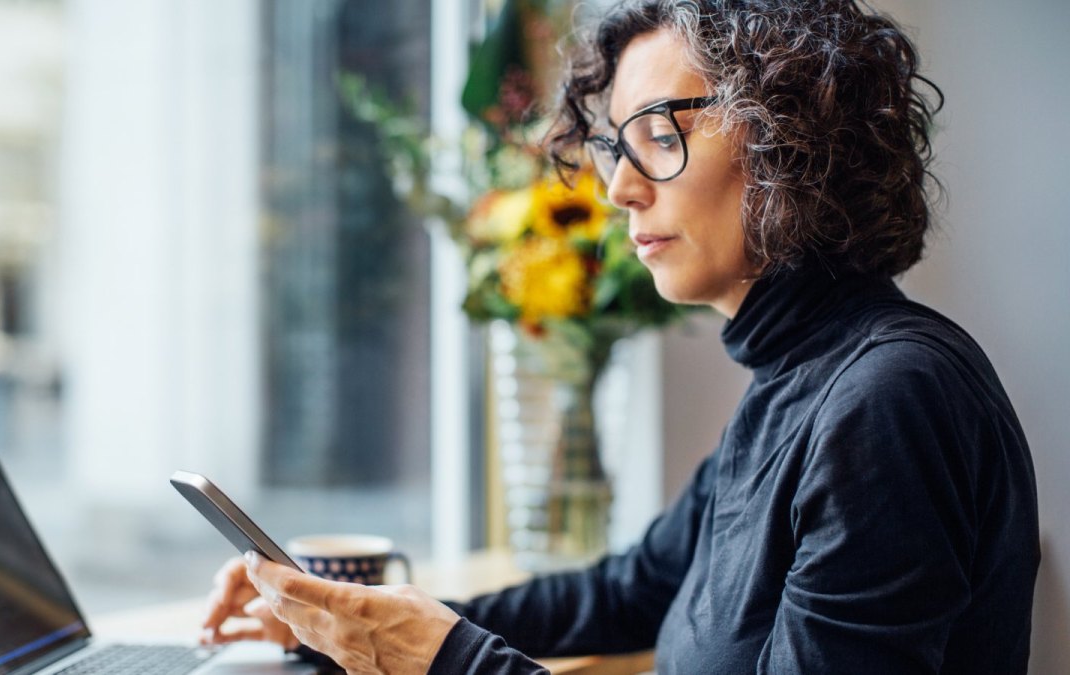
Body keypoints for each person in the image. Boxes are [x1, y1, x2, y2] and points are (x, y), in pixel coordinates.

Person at [200, 1, 1041, 672]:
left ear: (794, 138)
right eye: (615, 145)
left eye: (660, 134)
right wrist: (347, 620)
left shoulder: (887, 399)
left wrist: (451, 660)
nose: (619, 188)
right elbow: (631, 589)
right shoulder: (800, 381)